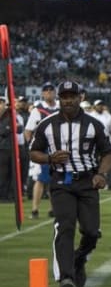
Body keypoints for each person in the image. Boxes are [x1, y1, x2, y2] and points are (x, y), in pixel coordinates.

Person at [28, 80, 111, 287]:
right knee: (64, 226)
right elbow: (32, 152)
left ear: (80, 98)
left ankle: (79, 260)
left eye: (72, 96)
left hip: (87, 182)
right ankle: (65, 277)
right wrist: (49, 158)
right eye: (64, 96)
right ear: (59, 99)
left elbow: (109, 153)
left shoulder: (94, 124)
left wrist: (101, 174)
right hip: (61, 182)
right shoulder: (47, 124)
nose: (68, 100)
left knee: (92, 232)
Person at [24, 83, 59, 219]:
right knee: (40, 179)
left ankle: (53, 209)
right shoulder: (37, 110)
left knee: (55, 179)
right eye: (46, 91)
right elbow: (28, 131)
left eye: (51, 90)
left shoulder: (60, 108)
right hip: (43, 149)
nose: (49, 93)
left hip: (57, 148)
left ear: (55, 92)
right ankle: (35, 209)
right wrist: (32, 146)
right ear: (43, 94)